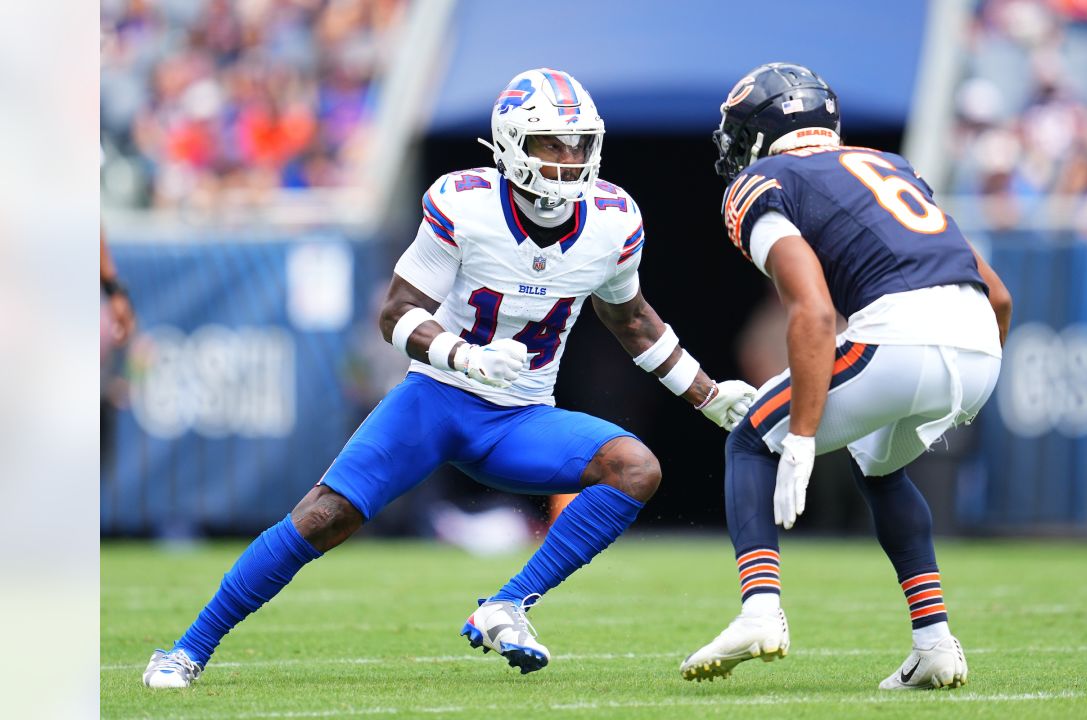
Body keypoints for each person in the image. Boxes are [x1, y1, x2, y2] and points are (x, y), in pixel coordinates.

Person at [142, 68, 758, 688]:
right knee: (324, 516)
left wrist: (708, 395)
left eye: (579, 143)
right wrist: (464, 355)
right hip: (437, 401)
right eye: (551, 142)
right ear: (513, 143)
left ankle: (507, 604)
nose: (570, 159)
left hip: (521, 418)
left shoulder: (614, 219)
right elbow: (395, 313)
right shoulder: (464, 203)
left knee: (635, 469)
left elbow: (634, 322)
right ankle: (187, 648)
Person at [679, 63, 1012, 690]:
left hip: (899, 336)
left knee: (752, 438)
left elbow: (813, 308)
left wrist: (800, 435)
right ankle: (935, 643)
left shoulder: (763, 179)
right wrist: (968, 378)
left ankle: (759, 611)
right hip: (979, 345)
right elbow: (997, 295)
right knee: (879, 466)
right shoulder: (890, 165)